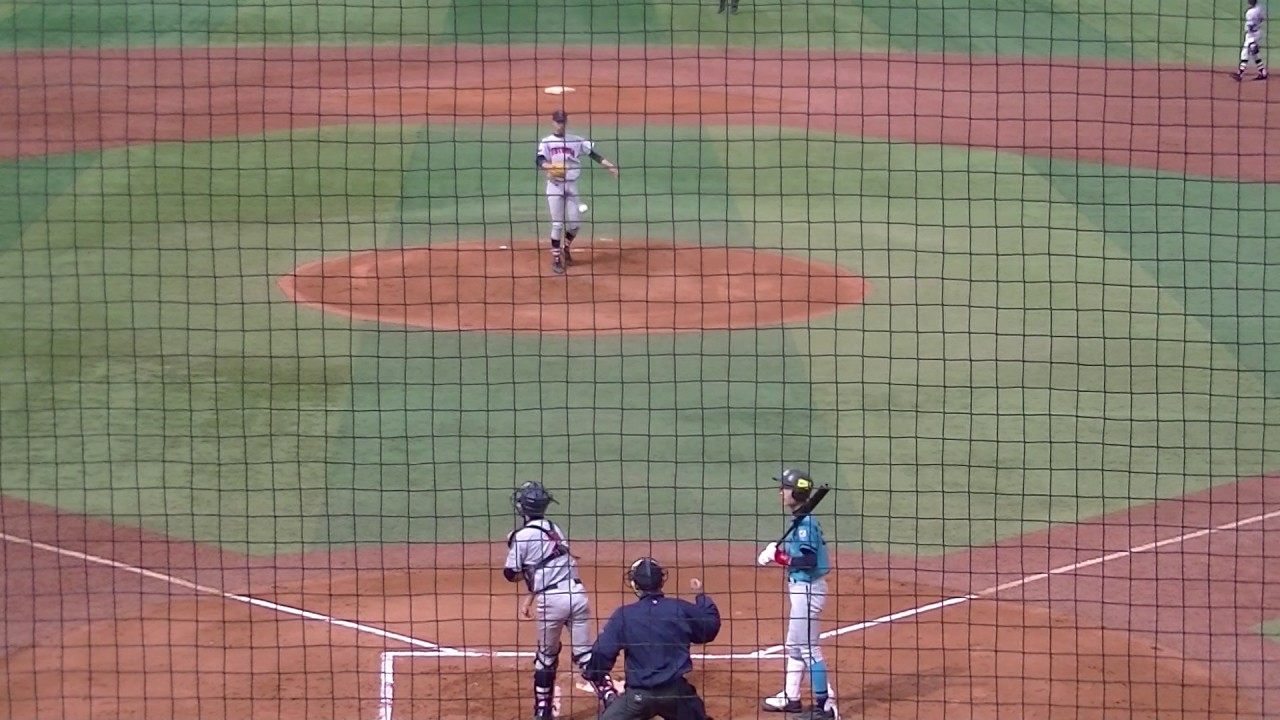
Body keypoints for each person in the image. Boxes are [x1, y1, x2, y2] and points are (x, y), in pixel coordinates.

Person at [503, 481, 620, 720]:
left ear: (522, 507)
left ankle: (543, 710)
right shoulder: (553, 529)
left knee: (546, 657)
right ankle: (609, 695)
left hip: (552, 602)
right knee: (584, 654)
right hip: (577, 596)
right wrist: (529, 598)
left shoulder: (521, 536)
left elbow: (510, 574)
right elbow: (552, 566)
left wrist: (517, 552)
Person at [584, 557, 722, 720]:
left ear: (635, 585)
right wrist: (701, 596)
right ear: (661, 581)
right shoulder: (679, 608)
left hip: (638, 698)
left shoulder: (624, 615)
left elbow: (602, 651)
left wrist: (594, 673)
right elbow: (710, 627)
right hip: (675, 694)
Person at [757, 468, 838, 720]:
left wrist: (778, 557)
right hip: (800, 589)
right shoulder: (801, 520)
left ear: (798, 493)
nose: (780, 492)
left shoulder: (806, 524)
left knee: (808, 648)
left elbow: (809, 561)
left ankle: (826, 707)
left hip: (808, 590)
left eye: (785, 488)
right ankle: (791, 697)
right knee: (794, 646)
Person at [536, 109, 619, 275]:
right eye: (557, 122)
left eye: (562, 121)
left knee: (575, 224)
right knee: (557, 224)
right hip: (554, 186)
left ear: (566, 122)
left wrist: (610, 166)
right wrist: (550, 167)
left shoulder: (575, 140)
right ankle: (556, 259)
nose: (560, 125)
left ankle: (566, 247)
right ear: (553, 122)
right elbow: (539, 160)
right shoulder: (547, 142)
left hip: (571, 185)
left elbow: (593, 154)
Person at [1234, 0, 1268, 80]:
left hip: (1251, 35)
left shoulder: (1250, 12)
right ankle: (1263, 72)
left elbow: (1250, 26)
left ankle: (1240, 73)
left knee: (1245, 53)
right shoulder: (1259, 9)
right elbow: (1262, 19)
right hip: (1257, 33)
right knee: (1255, 54)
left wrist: (1250, 33)